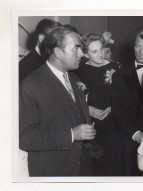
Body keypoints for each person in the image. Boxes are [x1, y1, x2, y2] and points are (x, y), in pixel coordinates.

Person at [19, 25, 101, 176]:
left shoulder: (75, 79)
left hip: (82, 169)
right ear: (57, 52)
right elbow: (26, 138)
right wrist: (71, 135)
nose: (82, 54)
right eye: (76, 48)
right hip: (53, 172)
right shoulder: (30, 85)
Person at [111, 26, 143, 176]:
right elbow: (118, 111)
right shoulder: (119, 75)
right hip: (130, 143)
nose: (140, 52)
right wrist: (136, 134)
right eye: (137, 46)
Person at [73, 33, 123, 176]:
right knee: (93, 168)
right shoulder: (79, 70)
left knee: (112, 166)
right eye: (94, 51)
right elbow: (74, 99)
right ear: (85, 53)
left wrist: (111, 108)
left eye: (101, 49)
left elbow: (124, 98)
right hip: (90, 124)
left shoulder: (116, 68)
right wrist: (87, 110)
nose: (100, 54)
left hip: (113, 123)